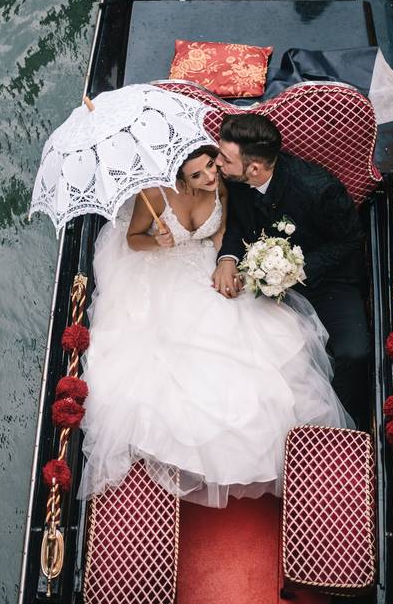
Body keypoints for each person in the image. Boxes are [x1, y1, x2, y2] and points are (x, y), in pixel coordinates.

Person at [77, 143, 353, 508]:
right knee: (178, 345)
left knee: (254, 331)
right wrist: (157, 241)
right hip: (164, 271)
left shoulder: (220, 184)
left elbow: (221, 231)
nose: (210, 176)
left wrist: (226, 262)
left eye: (211, 166)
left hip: (205, 264)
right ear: (180, 178)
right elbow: (134, 241)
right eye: (198, 175)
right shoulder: (153, 196)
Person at [211, 113, 370, 428]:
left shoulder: (318, 189)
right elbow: (239, 224)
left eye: (225, 159)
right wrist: (227, 257)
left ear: (254, 168)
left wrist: (294, 270)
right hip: (262, 284)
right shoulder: (237, 182)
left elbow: (351, 241)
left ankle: (336, 430)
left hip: (328, 283)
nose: (217, 163)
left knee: (354, 353)